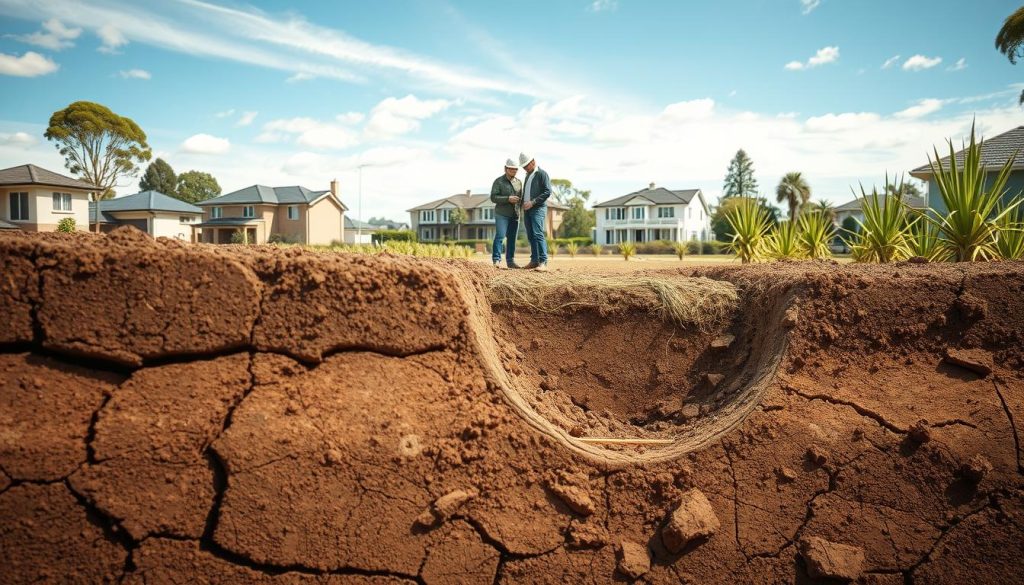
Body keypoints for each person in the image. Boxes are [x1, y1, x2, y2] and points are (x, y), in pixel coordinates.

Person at [518, 152, 551, 271]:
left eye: (526, 166)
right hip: (527, 211)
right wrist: (522, 202)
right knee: (531, 236)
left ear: (533, 162)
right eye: (523, 167)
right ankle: (534, 261)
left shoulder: (542, 174)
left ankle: (543, 262)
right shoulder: (527, 176)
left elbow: (547, 192)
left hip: (538, 208)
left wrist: (533, 202)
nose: (524, 168)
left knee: (538, 234)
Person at [490, 158, 523, 268]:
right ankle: (496, 260)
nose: (514, 171)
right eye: (511, 169)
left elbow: (521, 198)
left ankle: (510, 261)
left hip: (515, 215)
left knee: (512, 239)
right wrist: (507, 199)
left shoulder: (519, 182)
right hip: (502, 214)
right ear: (505, 169)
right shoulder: (498, 181)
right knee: (500, 236)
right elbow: (493, 197)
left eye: (516, 170)